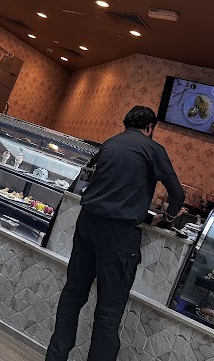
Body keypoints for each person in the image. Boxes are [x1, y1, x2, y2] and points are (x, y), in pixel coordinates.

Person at [45, 106, 185, 361]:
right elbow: (177, 194)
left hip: (87, 223)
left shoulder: (109, 144)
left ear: (126, 123)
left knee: (73, 294)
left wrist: (145, 213)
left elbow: (104, 185)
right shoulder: (153, 149)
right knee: (108, 312)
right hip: (119, 235)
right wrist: (169, 218)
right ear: (150, 127)